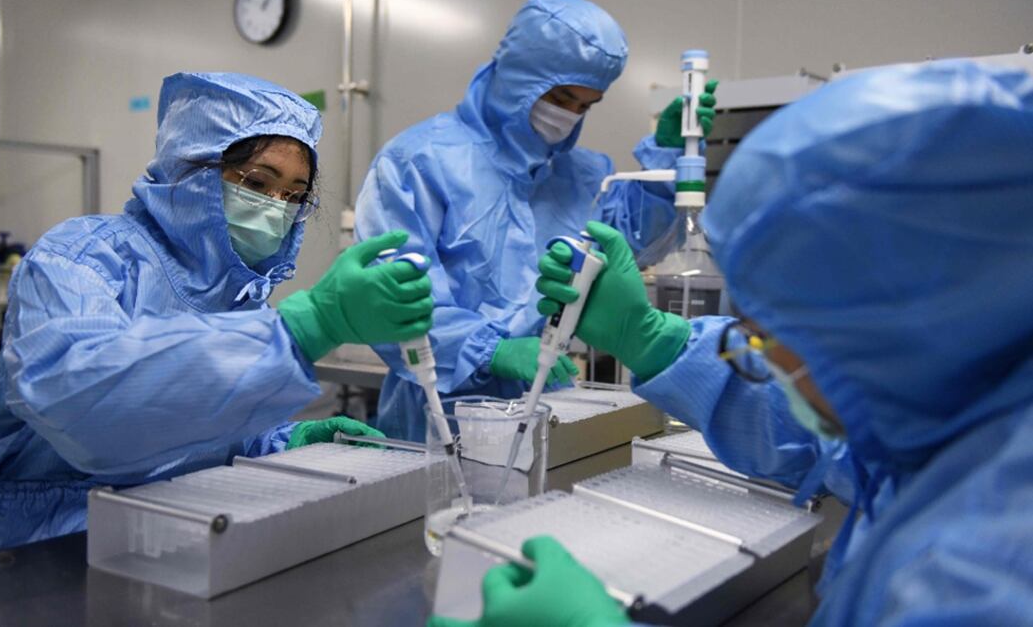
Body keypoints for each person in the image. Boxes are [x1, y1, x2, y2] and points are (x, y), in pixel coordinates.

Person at [430, 60, 1033, 625]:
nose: (757, 357)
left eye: (770, 333)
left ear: (897, 327)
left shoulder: (989, 565)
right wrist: (652, 340)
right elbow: (829, 445)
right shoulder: (950, 410)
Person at [0, 72, 434, 559]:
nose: (275, 207)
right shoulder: (82, 258)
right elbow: (85, 410)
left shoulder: (239, 295)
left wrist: (292, 439)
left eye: (293, 196)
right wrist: (305, 328)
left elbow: (202, 432)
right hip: (37, 546)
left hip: (165, 538)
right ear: (191, 173)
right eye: (258, 182)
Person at [355, 0, 718, 440]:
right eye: (561, 97)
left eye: (585, 105)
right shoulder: (418, 162)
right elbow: (387, 293)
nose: (567, 116)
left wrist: (665, 162)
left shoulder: (585, 173)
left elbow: (630, 245)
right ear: (519, 75)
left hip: (551, 405)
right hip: (436, 416)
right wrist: (489, 351)